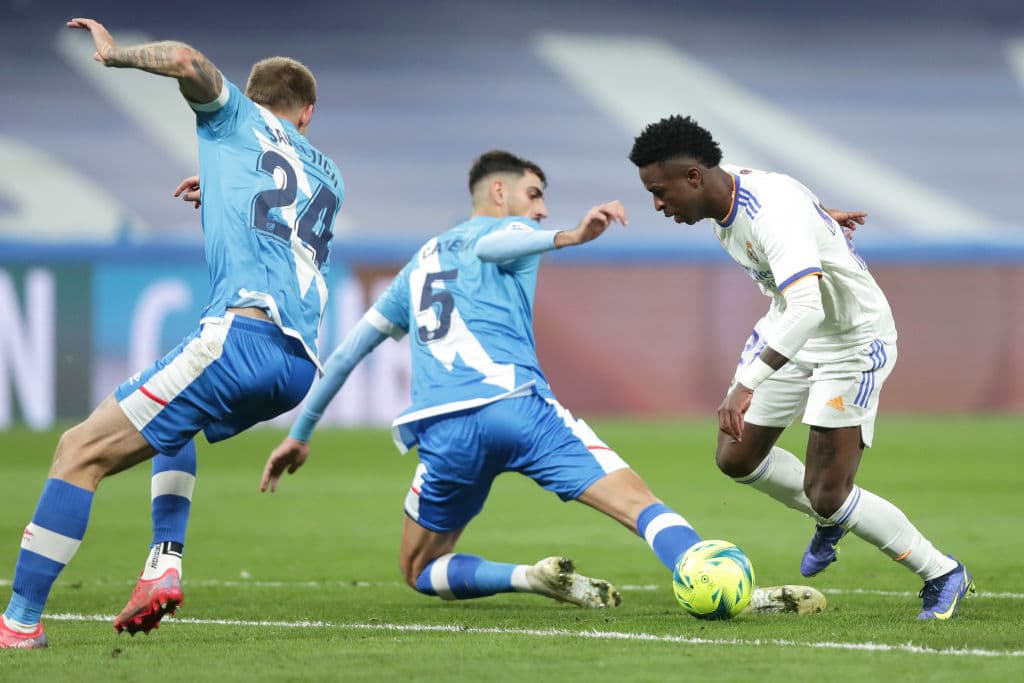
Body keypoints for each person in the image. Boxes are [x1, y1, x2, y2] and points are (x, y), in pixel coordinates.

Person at [256, 149, 826, 614]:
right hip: (518, 410)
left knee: (418, 569)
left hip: (446, 432)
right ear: (498, 194)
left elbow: (349, 351)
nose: (539, 210)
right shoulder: (508, 236)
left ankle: (529, 577)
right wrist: (566, 237)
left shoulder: (420, 263)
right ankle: (721, 588)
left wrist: (300, 433)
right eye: (533, 196)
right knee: (639, 506)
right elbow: (493, 242)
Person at [0, 18, 344, 649]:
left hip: (240, 337)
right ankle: (164, 562)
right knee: (174, 421)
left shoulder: (233, 118)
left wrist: (115, 55)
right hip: (296, 365)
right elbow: (278, 218)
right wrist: (218, 193)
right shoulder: (330, 177)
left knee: (78, 452)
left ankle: (18, 623)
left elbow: (186, 59)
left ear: (249, 95)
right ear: (308, 114)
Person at [628, 115, 975, 620]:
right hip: (792, 326)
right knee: (735, 455)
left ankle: (942, 572)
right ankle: (831, 514)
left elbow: (810, 305)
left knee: (828, 492)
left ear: (695, 178)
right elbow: (789, 205)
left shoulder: (772, 218)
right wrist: (817, 222)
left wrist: (746, 384)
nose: (658, 205)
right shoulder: (737, 190)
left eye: (660, 192)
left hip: (851, 341)